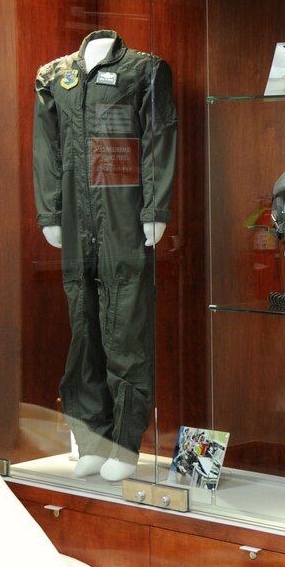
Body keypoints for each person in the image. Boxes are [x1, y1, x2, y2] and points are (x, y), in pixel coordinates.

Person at [33, 29, 178, 482]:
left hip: (123, 211)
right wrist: (50, 211)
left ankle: (125, 442)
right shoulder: (54, 76)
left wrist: (155, 208)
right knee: (84, 326)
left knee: (126, 325)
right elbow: (47, 149)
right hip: (76, 216)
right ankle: (92, 438)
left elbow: (158, 137)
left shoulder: (145, 69)